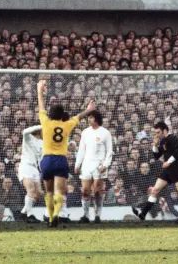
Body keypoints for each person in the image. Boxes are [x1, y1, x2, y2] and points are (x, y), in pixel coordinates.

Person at [36, 80, 94, 227]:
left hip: (47, 159)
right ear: (63, 115)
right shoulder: (66, 125)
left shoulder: (46, 122)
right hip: (61, 160)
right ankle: (56, 213)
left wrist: (39, 91)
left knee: (48, 191)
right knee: (59, 191)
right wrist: (88, 109)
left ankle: (50, 218)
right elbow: (78, 116)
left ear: (51, 114)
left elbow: (41, 107)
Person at [132, 122, 178, 221]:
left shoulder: (173, 138)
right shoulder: (162, 141)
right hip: (167, 170)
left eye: (158, 132)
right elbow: (157, 156)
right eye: (155, 133)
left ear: (164, 130)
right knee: (155, 191)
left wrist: (169, 162)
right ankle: (143, 214)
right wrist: (154, 145)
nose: (157, 135)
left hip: (176, 169)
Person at [74, 110, 113, 224]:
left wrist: (105, 165)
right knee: (85, 191)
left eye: (90, 117)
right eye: (88, 117)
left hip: (99, 165)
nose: (88, 119)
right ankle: (86, 215)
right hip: (86, 164)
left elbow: (109, 151)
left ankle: (97, 215)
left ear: (96, 119)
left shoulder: (105, 133)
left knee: (97, 191)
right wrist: (78, 164)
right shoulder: (85, 132)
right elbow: (81, 150)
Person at [18, 125, 43, 223]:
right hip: (25, 166)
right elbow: (24, 131)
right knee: (31, 190)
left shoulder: (42, 143)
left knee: (37, 194)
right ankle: (29, 215)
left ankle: (23, 213)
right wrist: (41, 125)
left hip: (35, 168)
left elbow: (41, 158)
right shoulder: (28, 138)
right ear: (38, 131)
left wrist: (42, 170)